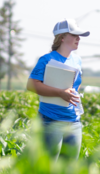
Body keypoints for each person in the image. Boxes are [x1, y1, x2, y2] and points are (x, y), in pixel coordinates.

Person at [27, 18, 89, 159]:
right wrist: (60, 93)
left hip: (73, 121)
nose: (78, 38)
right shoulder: (46, 59)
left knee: (69, 171)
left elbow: (75, 84)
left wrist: (71, 94)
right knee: (49, 170)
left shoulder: (77, 60)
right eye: (74, 35)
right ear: (62, 37)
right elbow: (31, 85)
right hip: (50, 120)